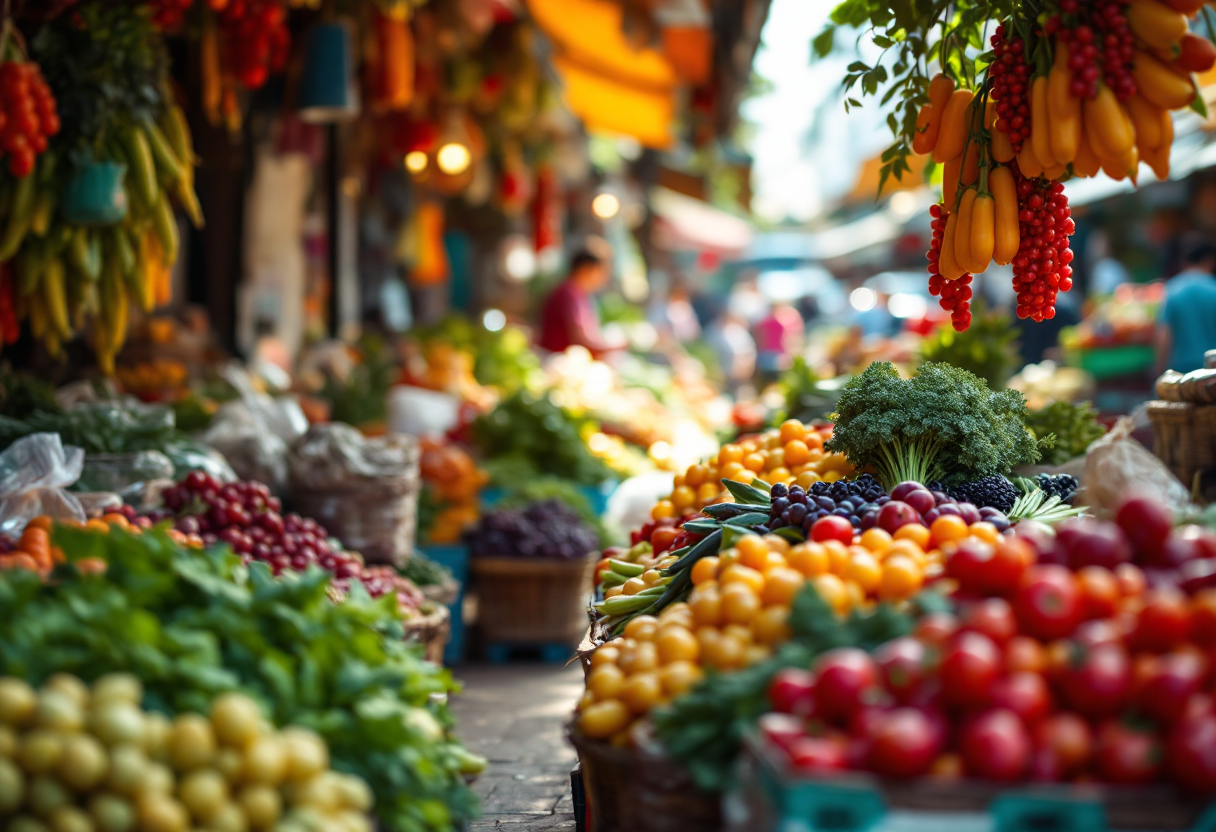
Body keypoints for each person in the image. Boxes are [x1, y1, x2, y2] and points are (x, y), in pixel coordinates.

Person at [537, 239, 620, 357]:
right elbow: (580, 339)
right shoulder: (569, 293)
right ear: (585, 269)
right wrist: (613, 348)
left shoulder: (578, 292)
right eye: (602, 271)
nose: (604, 277)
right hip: (560, 360)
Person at [1157, 235, 1216, 374]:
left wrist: (1159, 369)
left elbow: (1164, 334)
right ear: (1209, 261)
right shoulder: (1213, 289)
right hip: (1211, 371)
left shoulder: (1173, 289)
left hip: (1181, 371)